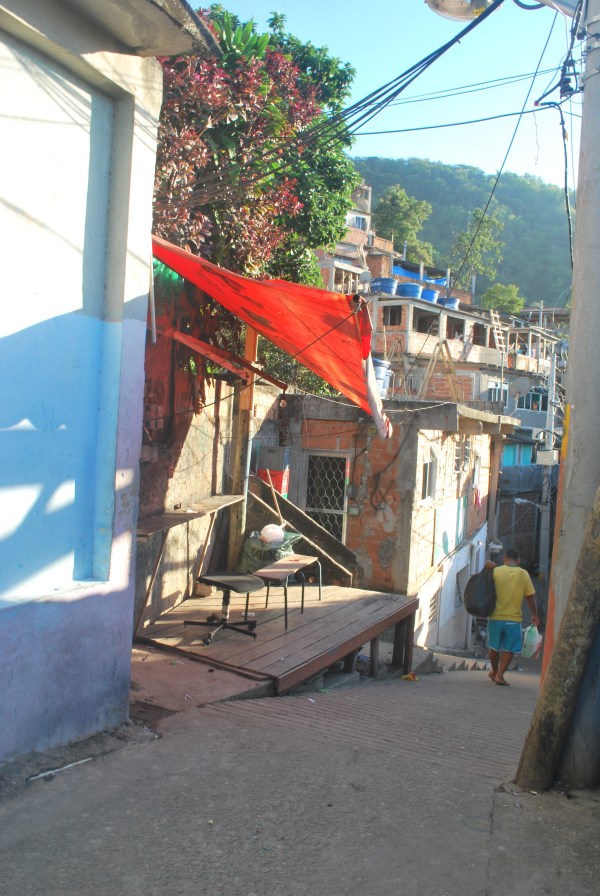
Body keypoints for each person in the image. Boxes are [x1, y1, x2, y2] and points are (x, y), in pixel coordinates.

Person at [485, 547, 539, 686]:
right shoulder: (523, 574)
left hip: (495, 617)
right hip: (513, 620)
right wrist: (534, 614)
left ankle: (494, 671)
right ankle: (500, 675)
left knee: (494, 647)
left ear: (504, 558)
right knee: (509, 648)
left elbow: (484, 585)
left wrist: (488, 568)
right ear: (518, 561)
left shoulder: (496, 571)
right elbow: (530, 597)